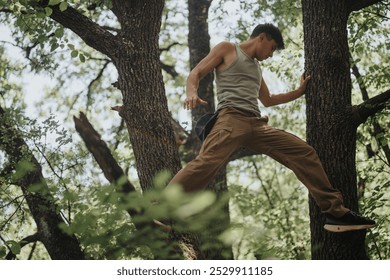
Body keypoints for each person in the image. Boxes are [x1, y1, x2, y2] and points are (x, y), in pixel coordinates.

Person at [168, 23, 375, 233]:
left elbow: (268, 100)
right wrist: (191, 92)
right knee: (205, 164)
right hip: (230, 120)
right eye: (272, 48)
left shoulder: (256, 68)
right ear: (262, 38)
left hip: (257, 125)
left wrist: (299, 91)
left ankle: (335, 213)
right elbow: (196, 72)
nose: (271, 54)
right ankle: (161, 211)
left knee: (304, 152)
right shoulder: (228, 49)